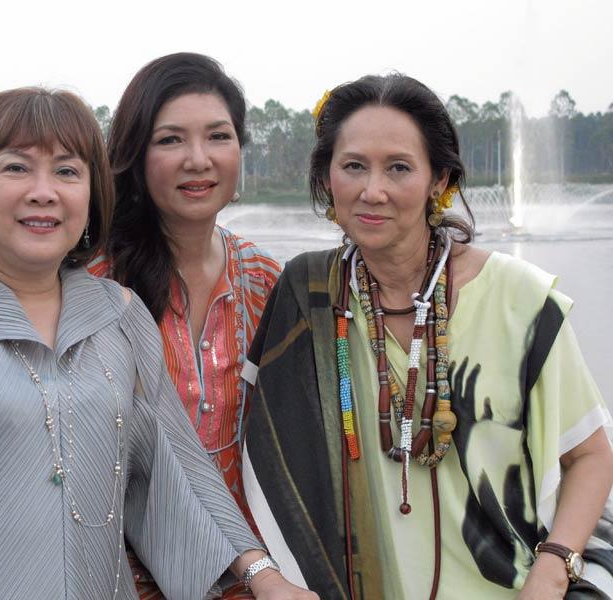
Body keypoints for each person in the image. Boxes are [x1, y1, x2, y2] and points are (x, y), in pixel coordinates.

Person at [0, 87, 315, 600]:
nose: (43, 191)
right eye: (16, 168)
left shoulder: (119, 315)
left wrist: (265, 578)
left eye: (67, 171)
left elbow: (180, 470)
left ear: (92, 199)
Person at [242, 74, 613, 600]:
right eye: (353, 166)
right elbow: (264, 454)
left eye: (398, 167)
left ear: (439, 180)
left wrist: (552, 571)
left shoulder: (520, 301)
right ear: (327, 177)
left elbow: (591, 456)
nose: (373, 190)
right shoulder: (310, 296)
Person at [88, 53, 281, 599]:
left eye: (218, 136)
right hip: (116, 573)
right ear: (135, 156)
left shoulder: (264, 278)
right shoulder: (91, 286)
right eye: (171, 140)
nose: (199, 160)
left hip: (250, 575)